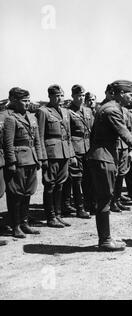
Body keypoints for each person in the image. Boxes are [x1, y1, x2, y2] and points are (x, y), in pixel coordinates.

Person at [86, 80, 132, 251]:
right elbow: (128, 138)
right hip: (103, 157)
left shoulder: (107, 107)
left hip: (103, 156)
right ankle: (105, 240)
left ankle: (106, 237)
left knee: (106, 198)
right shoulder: (112, 111)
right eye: (130, 95)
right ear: (121, 94)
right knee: (104, 199)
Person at [3, 87, 42, 238]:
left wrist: (38, 158)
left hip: (31, 159)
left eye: (28, 101)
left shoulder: (32, 117)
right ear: (15, 101)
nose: (27, 104)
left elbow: (37, 140)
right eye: (24, 101)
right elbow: (8, 143)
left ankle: (25, 222)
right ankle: (15, 225)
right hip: (19, 161)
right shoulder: (11, 119)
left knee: (28, 193)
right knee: (16, 195)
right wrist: (11, 162)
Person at [37, 85, 76, 228]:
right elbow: (39, 136)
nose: (60, 99)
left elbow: (68, 135)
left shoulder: (66, 112)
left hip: (64, 152)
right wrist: (43, 157)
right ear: (50, 97)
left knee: (60, 184)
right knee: (50, 185)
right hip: (51, 153)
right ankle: (50, 217)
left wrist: (71, 154)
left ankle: (58, 215)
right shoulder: (43, 111)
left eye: (61, 96)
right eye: (57, 96)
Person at [62, 85, 93, 219]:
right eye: (78, 95)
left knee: (88, 178)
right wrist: (71, 153)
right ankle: (79, 208)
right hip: (76, 148)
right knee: (76, 179)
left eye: (83, 95)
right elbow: (67, 134)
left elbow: (92, 129)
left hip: (88, 148)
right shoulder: (68, 112)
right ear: (73, 96)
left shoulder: (88, 111)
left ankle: (89, 204)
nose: (81, 98)